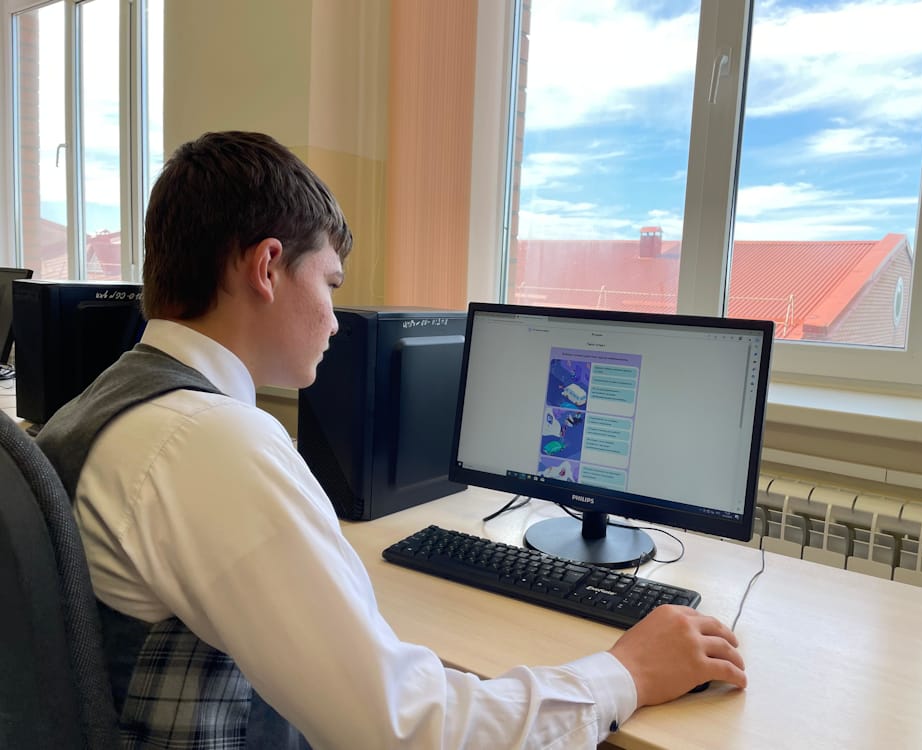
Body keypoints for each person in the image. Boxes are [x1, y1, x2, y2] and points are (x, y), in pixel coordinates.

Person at [37, 131, 746, 749]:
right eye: (331, 284)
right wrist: (626, 673)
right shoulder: (210, 442)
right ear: (266, 267)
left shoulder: (111, 402)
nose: (335, 320)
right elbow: (406, 730)